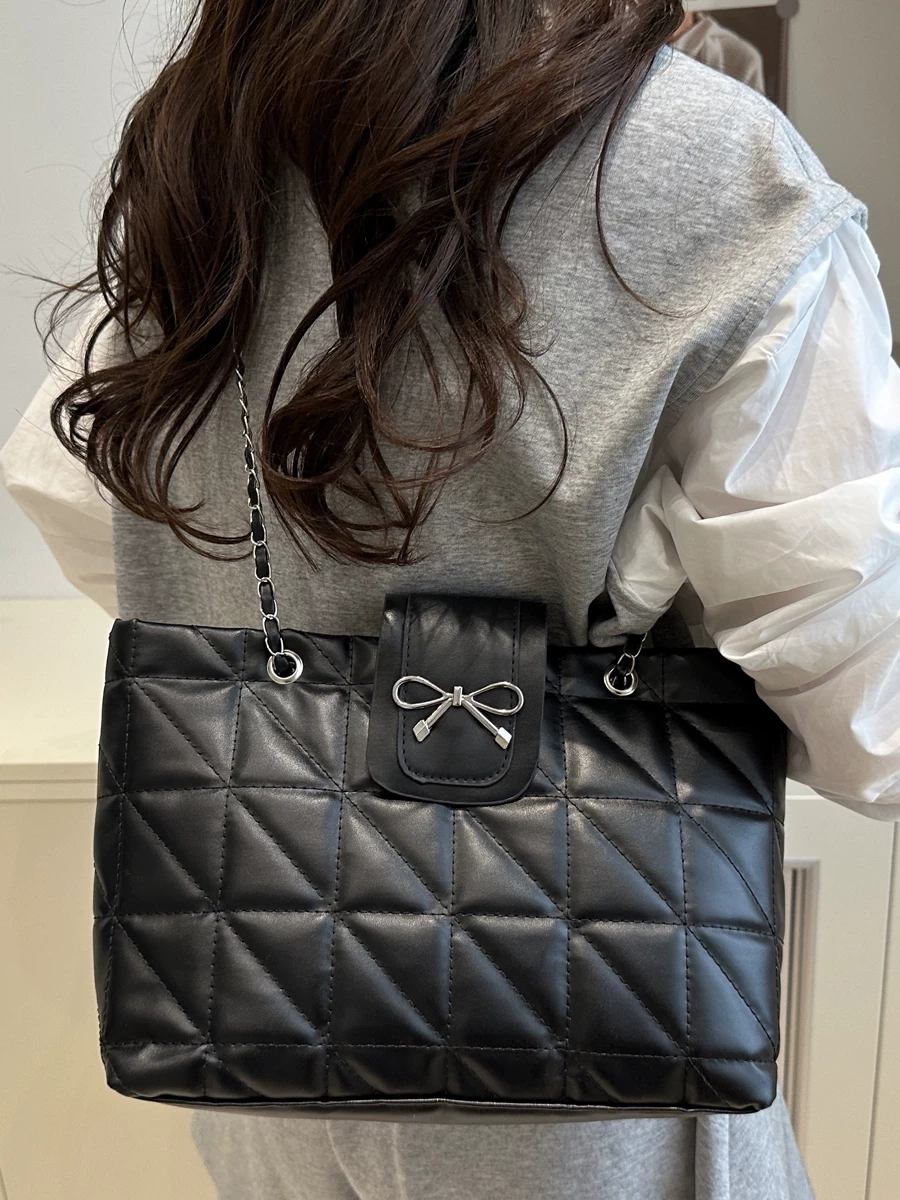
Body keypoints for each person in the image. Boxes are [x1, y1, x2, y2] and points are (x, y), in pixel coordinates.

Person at [2, 3, 899, 1198]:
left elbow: (70, 492)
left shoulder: (209, 127)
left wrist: (311, 647)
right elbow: (871, 712)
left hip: (273, 1008)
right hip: (597, 1065)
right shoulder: (718, 166)